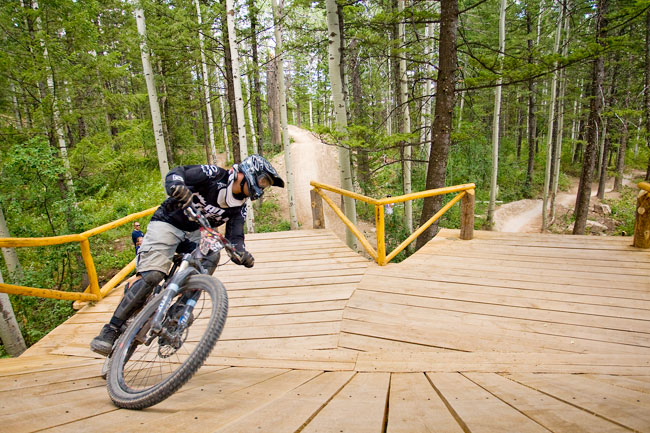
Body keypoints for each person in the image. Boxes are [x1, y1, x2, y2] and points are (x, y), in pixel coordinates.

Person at [90, 154, 284, 356]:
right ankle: (111, 329)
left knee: (211, 257)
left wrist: (241, 253)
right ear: (247, 174)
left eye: (266, 185)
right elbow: (178, 173)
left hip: (194, 233)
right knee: (154, 275)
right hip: (168, 222)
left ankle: (177, 315)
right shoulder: (214, 175)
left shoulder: (240, 206)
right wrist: (177, 186)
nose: (262, 188)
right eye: (263, 181)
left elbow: (235, 235)